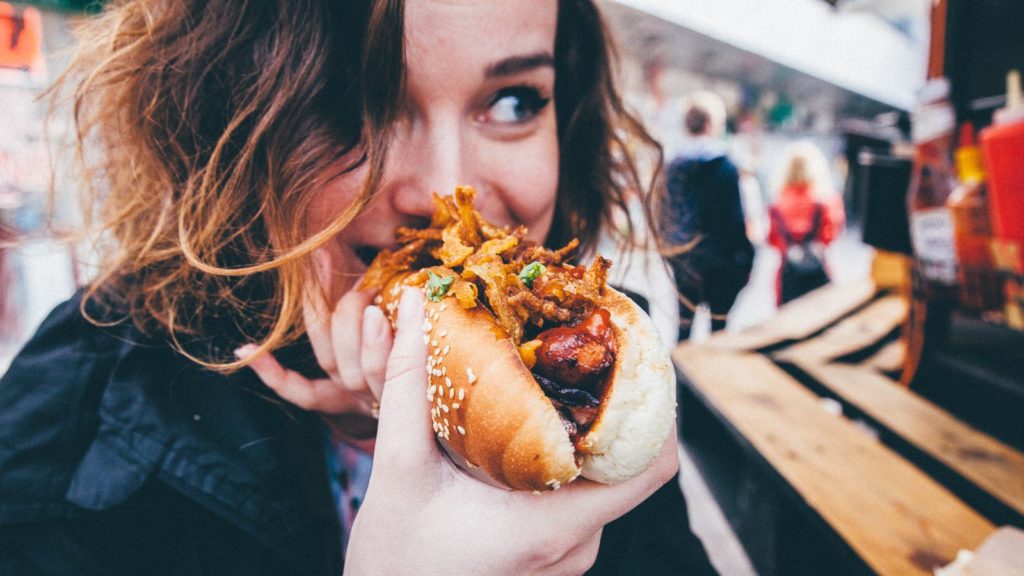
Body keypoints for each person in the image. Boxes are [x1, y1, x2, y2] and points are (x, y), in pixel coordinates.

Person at [0, 1, 717, 575]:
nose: (445, 191)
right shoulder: (69, 422)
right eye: (350, 106)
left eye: (513, 102)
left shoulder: (597, 367)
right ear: (220, 122)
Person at [662, 91, 754, 341]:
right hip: (720, 262)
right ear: (712, 124)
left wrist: (670, 253)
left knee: (682, 329)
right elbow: (735, 221)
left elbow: (663, 214)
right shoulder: (725, 167)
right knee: (719, 332)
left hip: (683, 261)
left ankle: (678, 379)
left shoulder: (672, 166)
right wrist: (747, 259)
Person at [767, 141, 846, 305]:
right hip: (819, 273)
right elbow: (831, 235)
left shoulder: (777, 204)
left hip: (787, 276)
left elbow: (772, 239)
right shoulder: (827, 201)